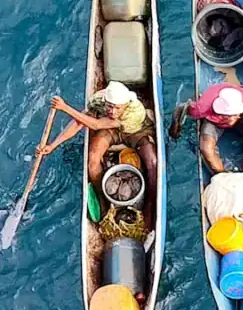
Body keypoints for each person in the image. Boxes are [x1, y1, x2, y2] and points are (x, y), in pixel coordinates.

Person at [38, 84, 158, 213]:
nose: (113, 111)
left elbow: (96, 125)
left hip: (135, 131)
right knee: (92, 161)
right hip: (110, 130)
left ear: (126, 105)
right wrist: (52, 145)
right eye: (110, 106)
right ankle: (103, 198)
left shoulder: (135, 111)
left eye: (118, 108)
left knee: (152, 162)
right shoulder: (97, 101)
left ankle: (150, 206)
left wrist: (65, 107)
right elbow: (79, 122)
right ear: (105, 101)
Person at [170, 82, 243, 172]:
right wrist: (175, 127)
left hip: (242, 116)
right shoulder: (203, 107)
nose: (230, 120)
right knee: (206, 148)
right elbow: (180, 109)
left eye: (232, 116)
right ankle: (221, 173)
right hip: (214, 120)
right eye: (226, 116)